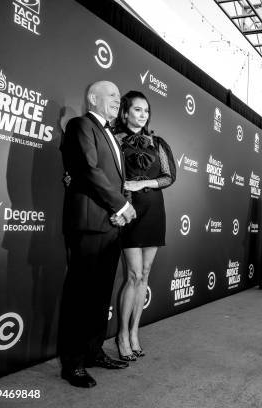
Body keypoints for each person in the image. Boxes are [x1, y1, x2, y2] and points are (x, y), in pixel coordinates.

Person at [58, 81, 137, 388]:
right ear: (93, 98)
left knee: (100, 295)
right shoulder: (81, 125)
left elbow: (115, 179)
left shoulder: (112, 136)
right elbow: (88, 170)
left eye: (119, 96)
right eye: (113, 95)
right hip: (89, 223)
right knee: (80, 295)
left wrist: (120, 208)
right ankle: (73, 363)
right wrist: (120, 205)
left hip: (110, 226)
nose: (119, 100)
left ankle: (92, 352)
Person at [114, 91, 176, 361]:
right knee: (134, 276)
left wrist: (143, 183)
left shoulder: (157, 142)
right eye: (137, 110)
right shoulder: (115, 139)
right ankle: (122, 335)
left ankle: (135, 332)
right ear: (125, 112)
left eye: (146, 111)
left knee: (146, 274)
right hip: (128, 209)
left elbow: (169, 176)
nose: (142, 115)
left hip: (154, 209)